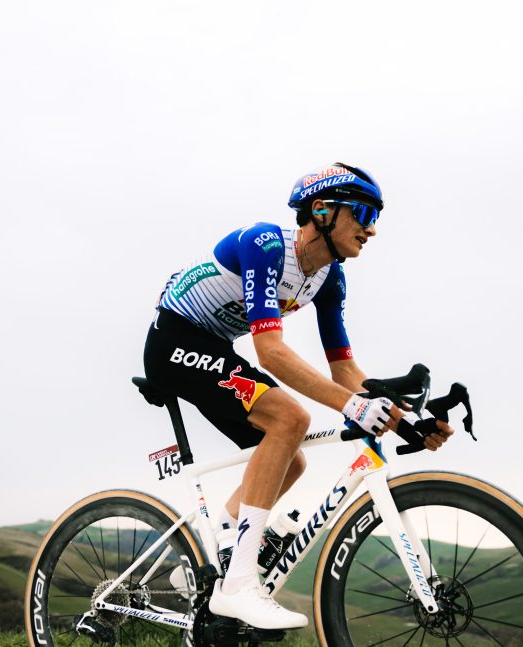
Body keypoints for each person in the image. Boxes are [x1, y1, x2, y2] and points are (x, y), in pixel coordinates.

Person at [142, 162, 454, 630]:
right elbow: (270, 352)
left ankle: (218, 555)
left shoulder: (329, 278)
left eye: (376, 217)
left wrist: (407, 420)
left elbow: (345, 369)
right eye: (363, 212)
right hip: (174, 341)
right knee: (289, 418)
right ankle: (239, 586)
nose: (371, 229)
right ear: (322, 211)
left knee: (292, 458)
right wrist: (352, 407)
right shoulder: (266, 245)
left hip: (213, 347)